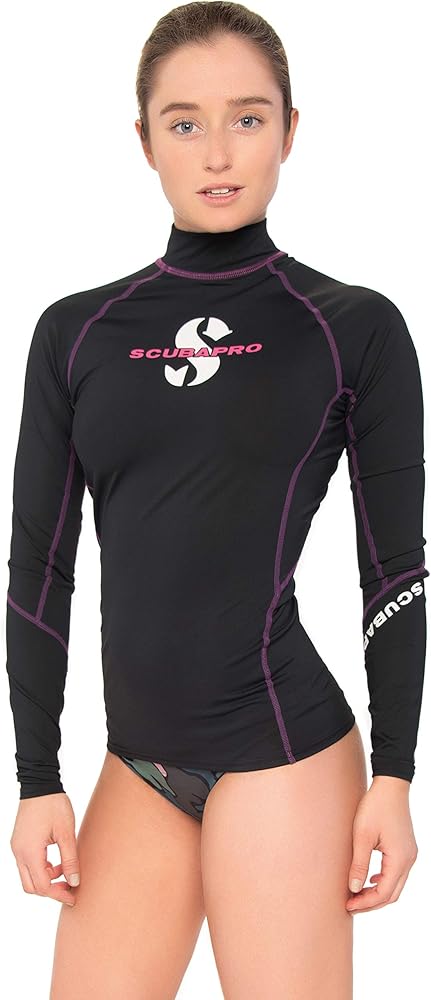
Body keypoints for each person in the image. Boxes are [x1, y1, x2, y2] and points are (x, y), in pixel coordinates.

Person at [6, 3, 427, 998]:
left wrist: (394, 776)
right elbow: (40, 567)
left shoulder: (349, 327)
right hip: (136, 765)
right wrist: (36, 778)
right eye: (184, 121)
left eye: (247, 116)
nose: (218, 150)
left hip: (282, 752)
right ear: (143, 138)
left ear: (289, 129)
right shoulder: (77, 332)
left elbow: (393, 568)